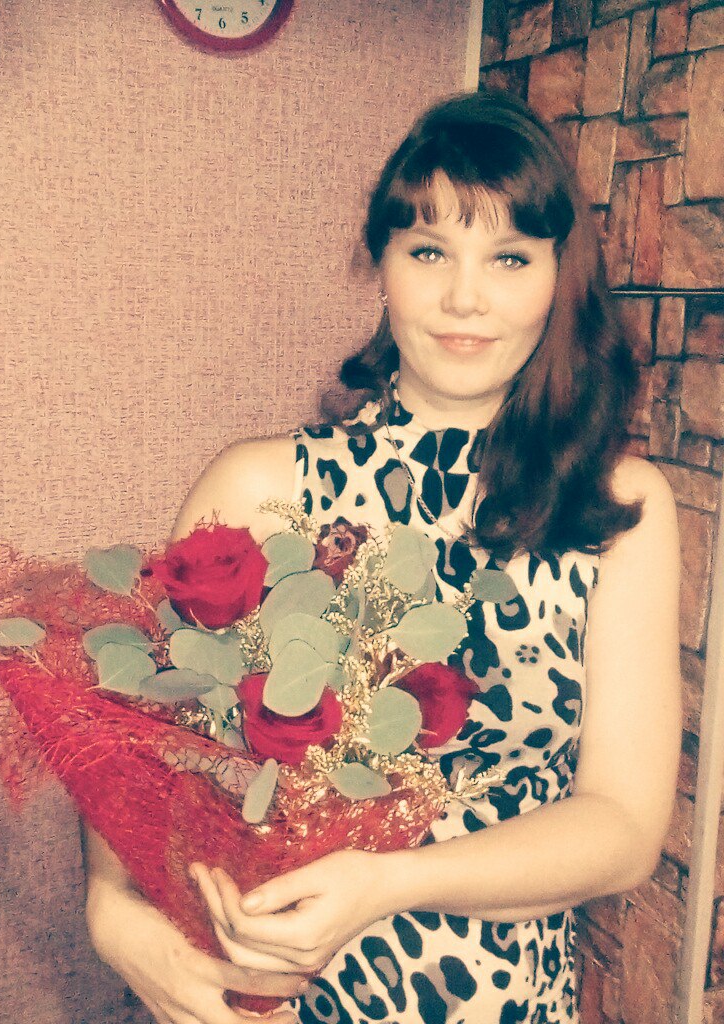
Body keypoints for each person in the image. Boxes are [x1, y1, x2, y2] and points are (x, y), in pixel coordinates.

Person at [83, 90, 681, 1024]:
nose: (465, 298)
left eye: (510, 257)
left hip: (498, 1002)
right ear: (383, 265)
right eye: (429, 251)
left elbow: (623, 829)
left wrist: (386, 882)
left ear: (559, 279)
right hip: (264, 994)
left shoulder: (615, 509)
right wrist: (108, 908)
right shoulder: (257, 485)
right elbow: (134, 739)